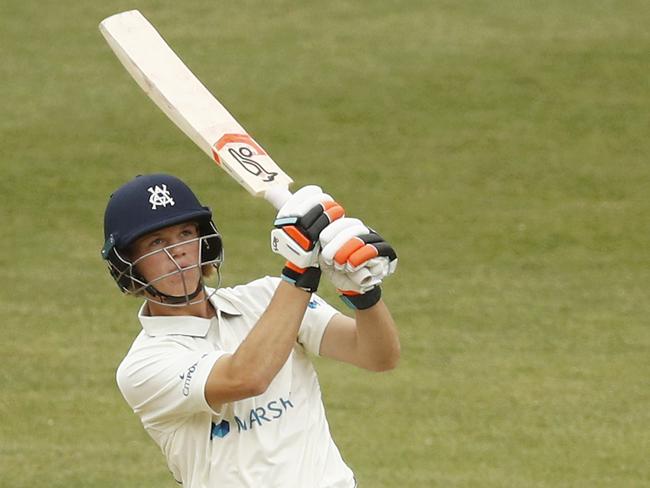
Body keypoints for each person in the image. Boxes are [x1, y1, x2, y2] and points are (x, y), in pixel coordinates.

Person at [101, 173, 400, 488]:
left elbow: (377, 356)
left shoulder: (269, 298)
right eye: (156, 242)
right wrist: (301, 268)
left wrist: (362, 293)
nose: (179, 251)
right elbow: (246, 377)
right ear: (128, 264)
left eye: (186, 233)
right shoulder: (143, 366)